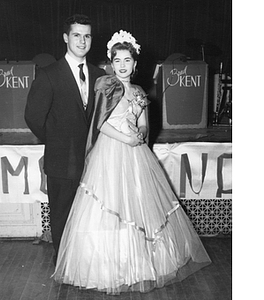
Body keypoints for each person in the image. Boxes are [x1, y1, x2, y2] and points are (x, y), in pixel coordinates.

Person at [52, 30, 211, 294]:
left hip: (135, 152)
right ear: (110, 64)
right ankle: (108, 268)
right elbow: (99, 124)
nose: (122, 66)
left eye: (127, 60)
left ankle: (141, 264)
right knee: (112, 202)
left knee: (138, 202)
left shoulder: (138, 91)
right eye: (117, 61)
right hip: (111, 151)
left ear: (135, 64)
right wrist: (126, 139)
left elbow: (144, 123)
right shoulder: (106, 85)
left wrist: (141, 133)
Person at [24, 14, 105, 264]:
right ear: (65, 37)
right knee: (61, 217)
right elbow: (33, 117)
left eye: (87, 35)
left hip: (94, 161)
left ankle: (87, 265)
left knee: (92, 216)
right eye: (77, 35)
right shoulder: (49, 74)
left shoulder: (99, 74)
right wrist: (59, 141)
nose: (82, 40)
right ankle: (64, 266)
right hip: (61, 162)